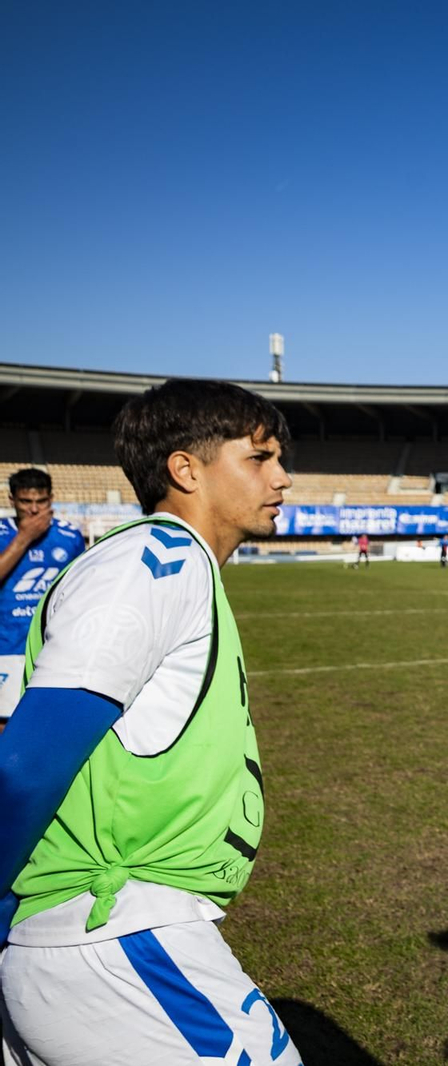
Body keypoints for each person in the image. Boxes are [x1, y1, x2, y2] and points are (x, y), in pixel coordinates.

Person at [0, 378, 300, 1063]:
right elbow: (25, 763)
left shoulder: (177, 568)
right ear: (185, 469)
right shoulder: (152, 562)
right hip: (107, 930)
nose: (283, 477)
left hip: (109, 930)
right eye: (259, 458)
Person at [0, 469, 86, 730]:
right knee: (6, 727)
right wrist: (23, 539)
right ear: (12, 500)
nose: (35, 510)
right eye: (26, 502)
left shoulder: (70, 537)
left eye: (42, 502)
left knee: (48, 725)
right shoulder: (2, 533)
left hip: (53, 646)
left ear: (52, 499)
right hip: (7, 646)